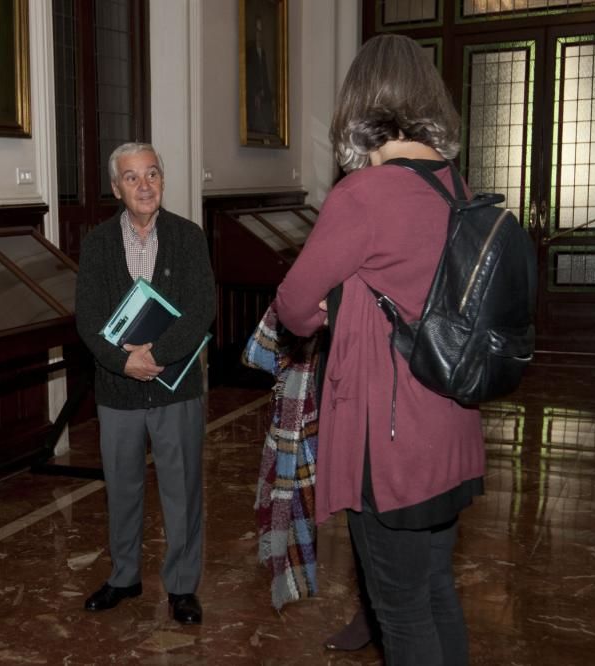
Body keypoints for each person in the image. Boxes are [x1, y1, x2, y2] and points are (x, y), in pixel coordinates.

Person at [274, 34, 484, 665]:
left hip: (389, 442)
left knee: (399, 610)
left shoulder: (363, 195)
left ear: (360, 101)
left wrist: (327, 307)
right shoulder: (457, 187)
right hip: (450, 426)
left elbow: (292, 303)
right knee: (436, 590)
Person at [75, 142, 215, 625]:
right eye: (132, 178)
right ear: (117, 188)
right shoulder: (96, 244)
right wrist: (121, 361)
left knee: (182, 489)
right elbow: (88, 318)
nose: (144, 185)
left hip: (175, 386)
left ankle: (181, 586)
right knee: (122, 488)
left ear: (162, 180)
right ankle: (124, 576)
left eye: (152, 174)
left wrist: (156, 354)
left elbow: (201, 310)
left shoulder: (188, 237)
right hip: (117, 389)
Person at [245, 14, 275, 135]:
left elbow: (265, 77)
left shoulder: (263, 53)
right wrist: (255, 94)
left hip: (264, 97)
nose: (259, 34)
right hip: (255, 99)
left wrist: (269, 96)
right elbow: (249, 78)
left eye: (261, 30)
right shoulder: (250, 53)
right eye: (257, 30)